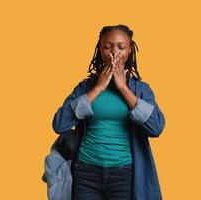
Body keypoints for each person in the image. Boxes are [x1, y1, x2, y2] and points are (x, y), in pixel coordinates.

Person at [52, 24, 166, 200]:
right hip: (85, 172)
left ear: (130, 51)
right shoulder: (85, 88)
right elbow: (59, 124)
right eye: (107, 46)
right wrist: (97, 88)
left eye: (121, 47)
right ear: (100, 49)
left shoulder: (141, 90)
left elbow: (156, 127)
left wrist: (122, 87)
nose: (114, 52)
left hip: (125, 174)